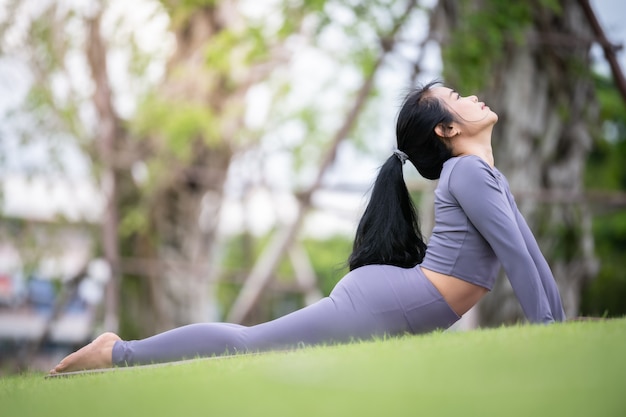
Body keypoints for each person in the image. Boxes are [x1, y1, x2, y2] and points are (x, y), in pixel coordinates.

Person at [49, 81, 565, 375]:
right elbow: (516, 258)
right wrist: (549, 338)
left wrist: (556, 329)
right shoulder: (467, 172)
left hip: (400, 301)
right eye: (456, 96)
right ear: (447, 129)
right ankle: (116, 353)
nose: (474, 96)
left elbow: (527, 252)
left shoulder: (480, 174)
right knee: (250, 346)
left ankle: (119, 353)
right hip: (387, 303)